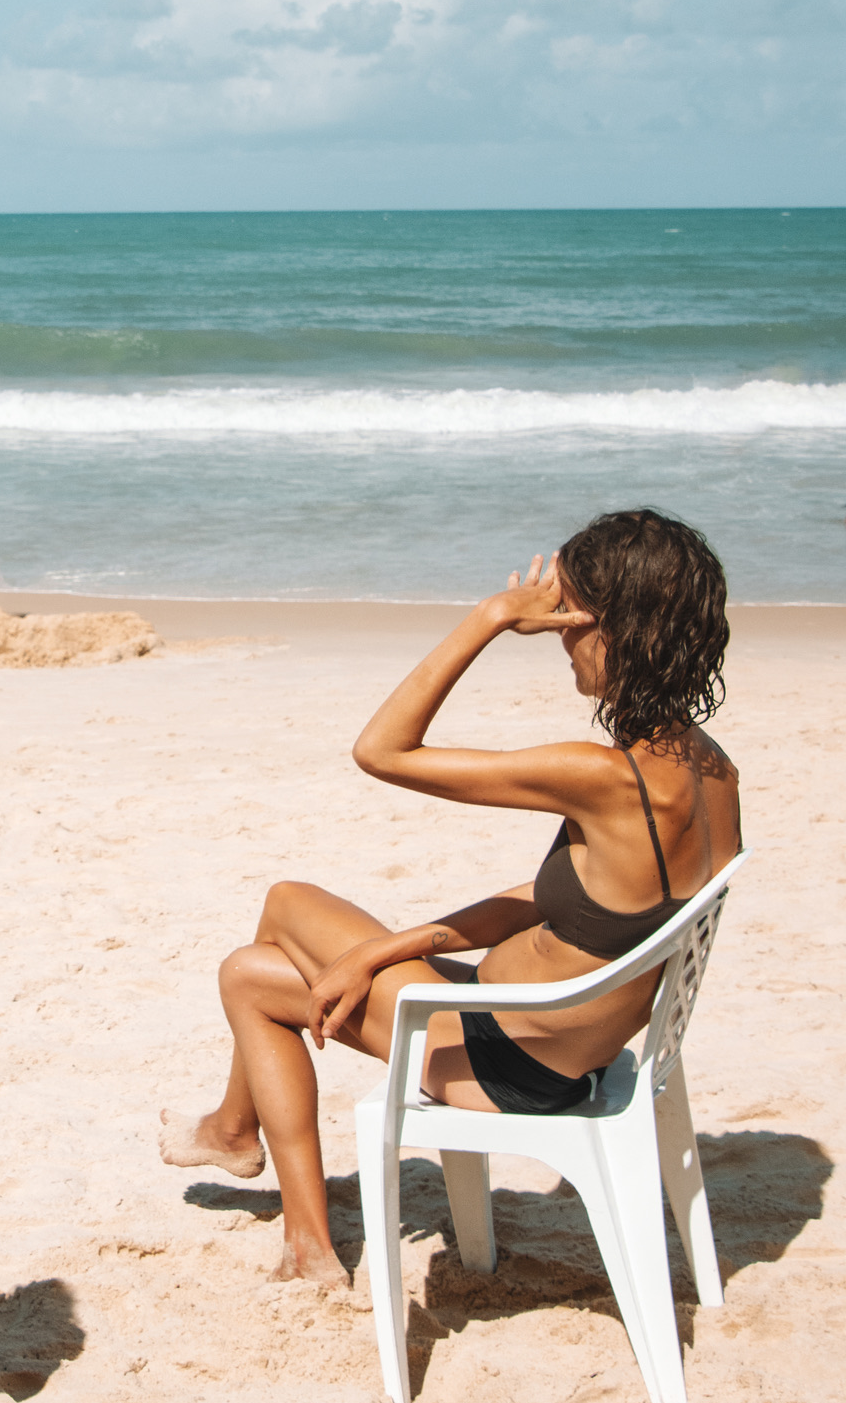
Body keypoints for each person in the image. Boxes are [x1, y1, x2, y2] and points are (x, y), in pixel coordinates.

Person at [160, 508, 740, 1285]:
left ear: (617, 630)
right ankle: (270, 1189)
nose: (559, 640)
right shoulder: (709, 770)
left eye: (569, 619)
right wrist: (392, 946)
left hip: (498, 1059)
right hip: (559, 1042)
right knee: (248, 973)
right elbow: (583, 903)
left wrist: (492, 616)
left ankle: (251, 1158)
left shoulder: (603, 777)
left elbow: (382, 750)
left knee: (285, 904)